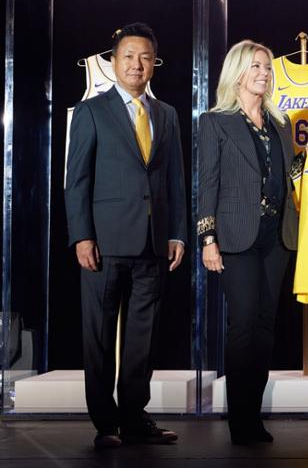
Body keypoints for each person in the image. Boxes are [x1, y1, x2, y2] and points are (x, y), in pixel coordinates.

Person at [65, 23, 187, 448]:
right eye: (128, 56)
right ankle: (105, 423)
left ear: (154, 63)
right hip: (103, 243)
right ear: (113, 62)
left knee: (143, 336)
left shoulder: (166, 114)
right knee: (98, 335)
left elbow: (174, 179)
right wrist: (81, 236)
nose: (137, 65)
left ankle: (134, 416)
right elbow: (76, 179)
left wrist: (178, 234)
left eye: (145, 57)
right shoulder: (91, 111)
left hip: (154, 243)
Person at [197, 40, 298, 445]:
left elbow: (291, 172)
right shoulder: (215, 121)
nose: (264, 73)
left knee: (264, 327)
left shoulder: (280, 123)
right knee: (242, 326)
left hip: (276, 237)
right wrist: (207, 237)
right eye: (256, 66)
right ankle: (239, 419)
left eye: (268, 67)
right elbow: (208, 185)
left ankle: (253, 415)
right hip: (236, 237)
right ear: (237, 71)